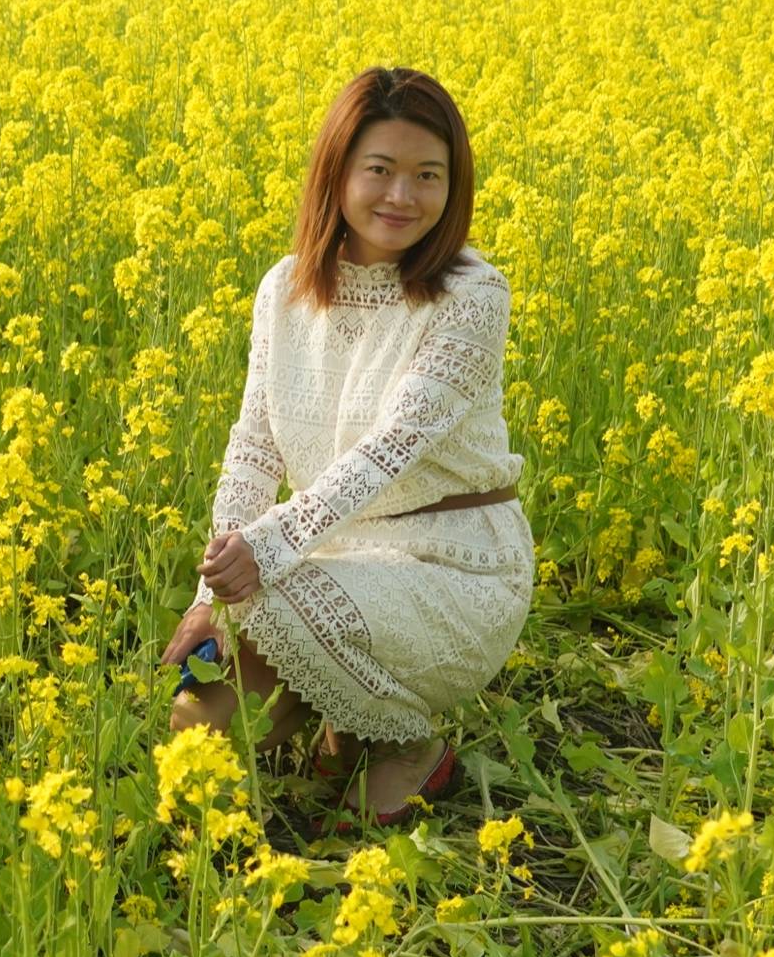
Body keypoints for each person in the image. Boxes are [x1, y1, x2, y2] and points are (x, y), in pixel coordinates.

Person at [164, 66, 534, 821]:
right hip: (330, 556)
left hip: (454, 567)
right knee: (195, 727)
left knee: (277, 667)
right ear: (336, 171)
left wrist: (260, 557)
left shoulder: (472, 294)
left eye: (428, 176)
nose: (403, 196)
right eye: (381, 170)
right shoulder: (285, 287)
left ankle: (407, 744)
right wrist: (213, 592)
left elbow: (388, 450)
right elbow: (254, 445)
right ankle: (348, 716)